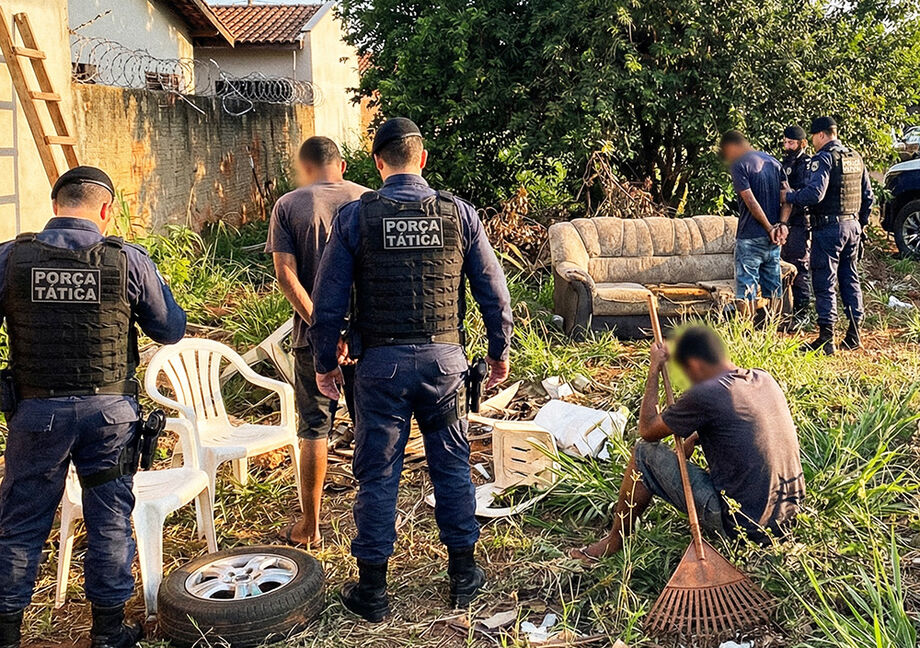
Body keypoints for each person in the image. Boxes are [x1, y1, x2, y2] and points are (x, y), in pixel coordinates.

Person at [310, 118, 513, 621]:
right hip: (445, 364)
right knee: (451, 467)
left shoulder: (357, 218)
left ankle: (373, 594)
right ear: (422, 159)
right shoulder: (459, 214)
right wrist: (498, 350)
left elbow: (327, 302)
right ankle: (464, 579)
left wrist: (323, 365)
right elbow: (493, 289)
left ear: (378, 164)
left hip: (380, 368)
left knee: (377, 475)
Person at [0, 167, 187, 648]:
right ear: (106, 210)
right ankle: (108, 633)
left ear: (55, 205)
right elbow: (168, 329)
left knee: (20, 525)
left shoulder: (12, 259)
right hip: (109, 416)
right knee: (109, 520)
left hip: (36, 414)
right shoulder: (125, 259)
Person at [570, 326, 805, 562]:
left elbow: (648, 430)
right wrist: (695, 437)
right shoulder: (763, 379)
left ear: (695, 365)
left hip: (743, 528)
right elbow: (739, 424)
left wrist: (655, 369)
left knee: (643, 454)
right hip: (787, 520)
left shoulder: (708, 393)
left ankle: (613, 542)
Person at [265, 136, 369, 547]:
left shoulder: (288, 205)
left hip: (312, 340)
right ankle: (374, 519)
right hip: (366, 339)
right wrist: (349, 331)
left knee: (314, 429)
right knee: (371, 426)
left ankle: (309, 526)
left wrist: (323, 328)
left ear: (305, 168)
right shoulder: (369, 199)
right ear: (341, 165)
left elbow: (286, 276)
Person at [782, 117, 873, 354]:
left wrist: (789, 197)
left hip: (829, 229)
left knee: (824, 282)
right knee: (850, 279)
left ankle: (826, 338)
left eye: (813, 137)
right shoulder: (855, 157)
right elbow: (868, 197)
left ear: (821, 135)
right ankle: (854, 335)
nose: (812, 142)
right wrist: (860, 225)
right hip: (852, 227)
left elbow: (815, 194)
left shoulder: (824, 158)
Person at [719, 131, 786, 317]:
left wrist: (769, 227)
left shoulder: (739, 165)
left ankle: (746, 331)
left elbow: (750, 200)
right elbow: (787, 196)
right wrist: (781, 224)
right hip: (772, 238)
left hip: (750, 236)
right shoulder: (774, 163)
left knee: (746, 286)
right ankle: (771, 330)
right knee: (773, 286)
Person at [777, 125, 812, 320]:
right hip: (783, 221)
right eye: (785, 142)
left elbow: (806, 193)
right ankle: (785, 310)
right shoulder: (783, 163)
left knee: (799, 266)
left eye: (791, 143)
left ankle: (802, 312)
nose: (787, 146)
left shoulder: (808, 164)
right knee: (782, 265)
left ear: (802, 143)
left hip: (800, 221)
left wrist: (789, 196)